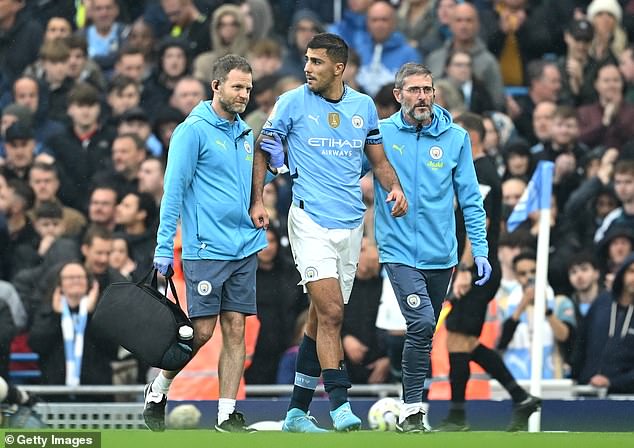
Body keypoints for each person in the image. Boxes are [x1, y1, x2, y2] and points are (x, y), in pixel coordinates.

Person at [249, 33, 407, 433]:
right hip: (309, 221)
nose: (308, 68)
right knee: (334, 312)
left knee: (321, 320)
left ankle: (296, 414)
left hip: (351, 223)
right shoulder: (291, 102)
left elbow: (377, 158)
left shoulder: (363, 107)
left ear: (339, 68)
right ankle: (339, 404)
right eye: (306, 60)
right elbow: (263, 149)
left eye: (317, 62)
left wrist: (394, 187)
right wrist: (257, 200)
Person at [147, 54, 267, 433]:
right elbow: (173, 192)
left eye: (248, 88)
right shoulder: (191, 130)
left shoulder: (245, 133)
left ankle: (227, 413)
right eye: (237, 86)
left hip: (243, 246)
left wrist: (258, 204)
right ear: (216, 86)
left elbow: (240, 187)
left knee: (236, 328)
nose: (244, 94)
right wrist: (164, 247)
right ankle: (159, 389)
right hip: (205, 248)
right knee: (201, 333)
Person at [372, 64, 486, 432]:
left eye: (428, 89)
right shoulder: (381, 134)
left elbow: (470, 198)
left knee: (425, 332)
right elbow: (347, 173)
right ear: (398, 95)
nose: (423, 96)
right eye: (415, 90)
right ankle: (412, 411)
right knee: (421, 323)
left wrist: (480, 250)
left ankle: (414, 413)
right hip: (399, 249)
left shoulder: (456, 137)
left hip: (443, 255)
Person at [436, 112, 540, 432]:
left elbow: (476, 223)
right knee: (460, 340)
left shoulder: (481, 172)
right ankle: (519, 398)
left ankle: (459, 415)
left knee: (458, 339)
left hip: (478, 268)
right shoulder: (477, 170)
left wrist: (466, 267)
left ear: (471, 136)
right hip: (477, 267)